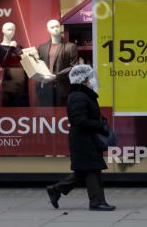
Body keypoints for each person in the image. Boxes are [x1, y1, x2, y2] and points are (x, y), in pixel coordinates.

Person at [46, 64, 116, 211]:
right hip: (83, 140)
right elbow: (79, 120)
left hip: (86, 139)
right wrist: (99, 125)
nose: (92, 80)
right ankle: (96, 202)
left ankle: (56, 189)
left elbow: (87, 116)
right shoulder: (79, 96)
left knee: (84, 171)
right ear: (83, 80)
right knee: (91, 170)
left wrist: (101, 121)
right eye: (89, 78)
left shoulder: (83, 95)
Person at [36, 19, 78, 106]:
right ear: (48, 29)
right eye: (52, 27)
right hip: (45, 88)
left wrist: (57, 76)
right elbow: (38, 65)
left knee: (61, 115)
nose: (55, 29)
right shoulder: (42, 48)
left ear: (61, 28)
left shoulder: (70, 47)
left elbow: (74, 67)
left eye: (57, 26)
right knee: (46, 115)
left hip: (62, 87)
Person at [0, 22, 29, 107]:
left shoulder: (19, 47)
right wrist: (11, 48)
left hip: (22, 82)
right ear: (3, 30)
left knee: (22, 108)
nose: (12, 32)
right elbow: (4, 64)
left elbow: (24, 63)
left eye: (13, 30)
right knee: (9, 108)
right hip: (9, 83)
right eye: (9, 29)